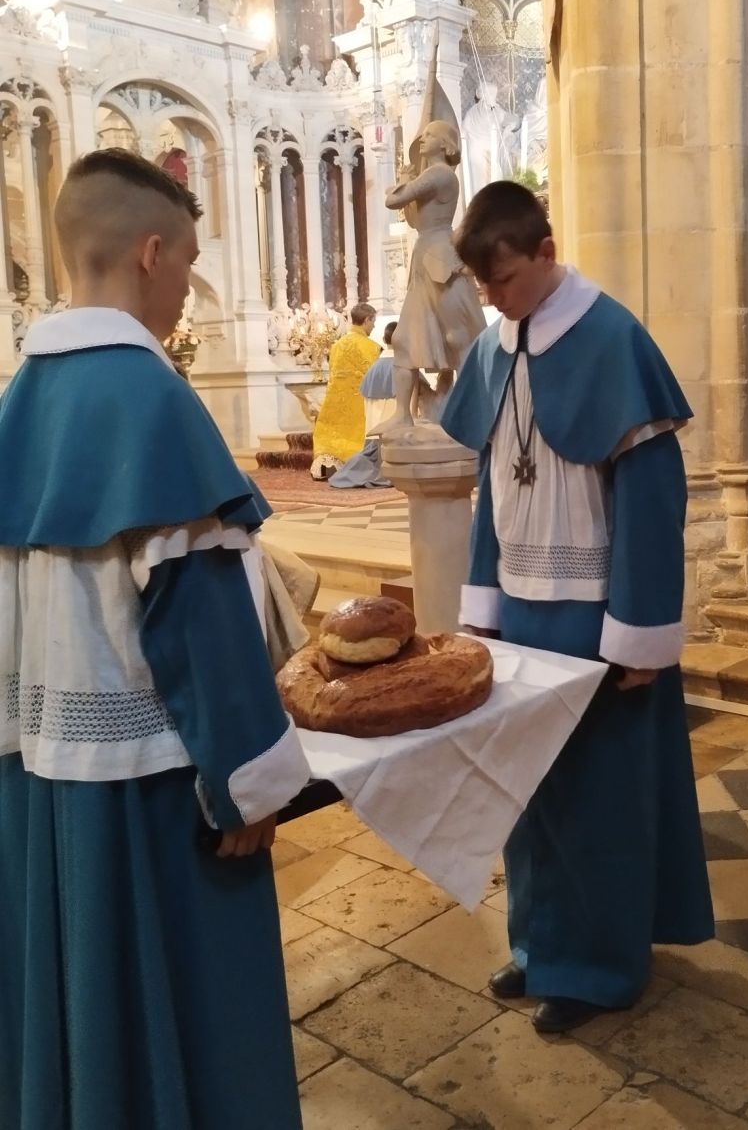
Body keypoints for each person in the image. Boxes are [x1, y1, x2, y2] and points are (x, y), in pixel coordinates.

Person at [0, 149, 311, 1129]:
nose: (186, 287)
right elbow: (202, 620)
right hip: (154, 792)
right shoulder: (154, 401)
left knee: (78, 1012)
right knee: (195, 1014)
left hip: (40, 778)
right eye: (187, 261)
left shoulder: (17, 403)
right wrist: (248, 783)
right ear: (149, 253)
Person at [440, 181, 714, 1035]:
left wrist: (640, 635)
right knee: (528, 792)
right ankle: (541, 945)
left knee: (599, 796)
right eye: (483, 284)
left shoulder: (613, 338)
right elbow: (492, 491)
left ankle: (600, 967)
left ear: (547, 252)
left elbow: (652, 502)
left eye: (506, 278)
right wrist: (480, 608)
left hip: (596, 617)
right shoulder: (494, 350)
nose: (494, 298)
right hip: (521, 611)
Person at [381, 121, 485, 429]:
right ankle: (403, 414)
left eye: (429, 135)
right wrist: (406, 181)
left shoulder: (440, 173)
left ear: (445, 144)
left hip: (440, 257)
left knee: (458, 337)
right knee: (403, 339)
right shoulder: (431, 176)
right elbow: (415, 221)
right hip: (424, 254)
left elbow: (393, 200)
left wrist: (403, 182)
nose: (422, 139)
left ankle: (474, 412)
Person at [310, 301, 380, 479]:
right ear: (367, 320)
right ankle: (354, 467)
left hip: (334, 401)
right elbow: (374, 377)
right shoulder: (371, 346)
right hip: (359, 403)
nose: (374, 326)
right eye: (373, 321)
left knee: (332, 436)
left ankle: (328, 465)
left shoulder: (337, 345)